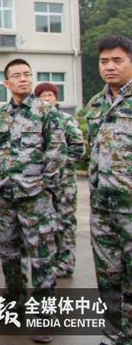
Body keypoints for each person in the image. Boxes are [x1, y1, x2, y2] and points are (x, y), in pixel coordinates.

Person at [0, 58, 66, 344]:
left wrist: (42, 186)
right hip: (5, 197)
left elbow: (56, 153)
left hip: (35, 198)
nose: (23, 79)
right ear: (6, 83)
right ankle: (14, 300)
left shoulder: (46, 112)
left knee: (42, 256)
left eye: (27, 75)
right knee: (8, 254)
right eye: (17, 76)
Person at [85, 35, 132, 345]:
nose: (109, 66)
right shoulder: (96, 104)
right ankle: (114, 334)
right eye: (104, 61)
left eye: (117, 60)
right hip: (102, 209)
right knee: (108, 278)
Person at [34, 82, 85, 278]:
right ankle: (49, 261)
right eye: (42, 96)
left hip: (64, 183)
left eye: (50, 95)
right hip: (41, 183)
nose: (47, 99)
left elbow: (78, 147)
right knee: (44, 224)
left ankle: (65, 263)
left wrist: (59, 165)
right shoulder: (34, 121)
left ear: (56, 98)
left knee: (65, 222)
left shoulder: (65, 120)